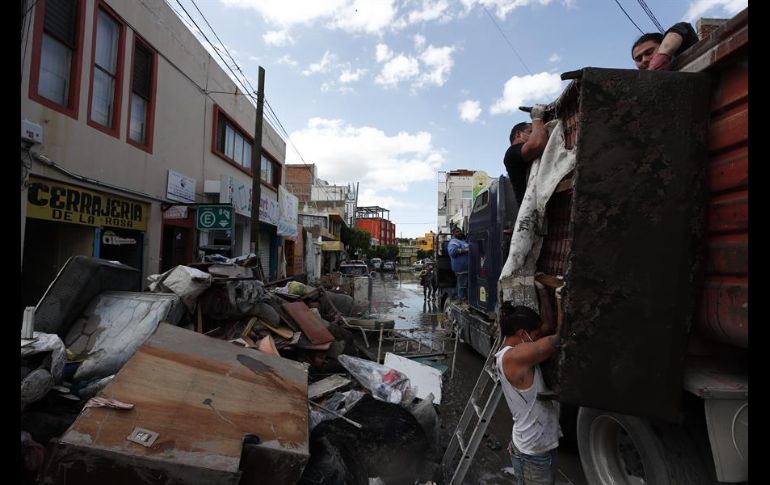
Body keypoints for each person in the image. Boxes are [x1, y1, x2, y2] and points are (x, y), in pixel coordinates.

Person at [496, 302, 562, 484]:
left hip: (538, 446)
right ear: (521, 334)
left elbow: (546, 329)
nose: (537, 338)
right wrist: (560, 298)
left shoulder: (518, 352)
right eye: (534, 335)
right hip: (532, 454)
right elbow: (557, 340)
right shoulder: (513, 358)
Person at [503, 105, 550, 206]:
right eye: (531, 132)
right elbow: (537, 144)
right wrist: (537, 119)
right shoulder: (511, 153)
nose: (537, 133)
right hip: (531, 210)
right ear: (518, 135)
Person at [632, 22, 699, 71]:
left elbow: (681, 29)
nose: (644, 60)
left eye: (649, 52)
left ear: (662, 44)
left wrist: (662, 55)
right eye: (638, 59)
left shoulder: (680, 56)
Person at [447, 227, 470, 300]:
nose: (459, 233)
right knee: (462, 286)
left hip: (468, 268)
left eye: (460, 231)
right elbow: (452, 252)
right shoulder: (453, 242)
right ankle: (461, 299)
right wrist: (465, 250)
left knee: (466, 286)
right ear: (453, 233)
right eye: (457, 232)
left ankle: (464, 298)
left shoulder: (463, 241)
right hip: (461, 269)